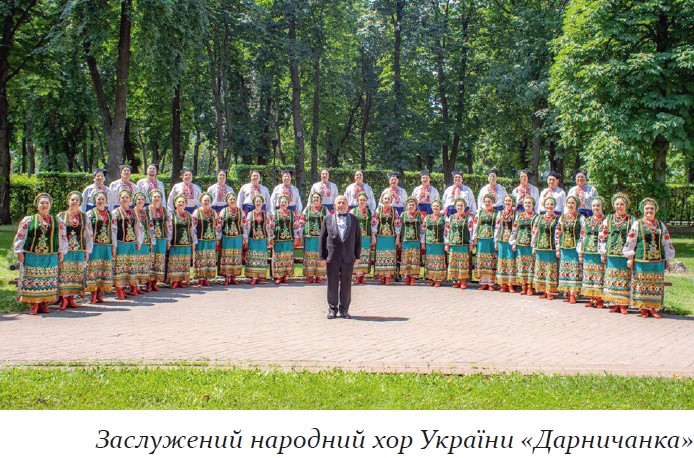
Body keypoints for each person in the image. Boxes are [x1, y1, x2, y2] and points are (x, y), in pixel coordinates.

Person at [14, 193, 68, 314]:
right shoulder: (29, 220)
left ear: (51, 205)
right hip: (33, 255)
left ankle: (43, 303)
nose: (44, 205)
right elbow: (20, 235)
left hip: (50, 254)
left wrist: (62, 251)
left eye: (47, 203)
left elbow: (62, 236)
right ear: (37, 205)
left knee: (48, 278)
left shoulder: (57, 220)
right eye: (42, 203)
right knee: (33, 278)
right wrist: (19, 251)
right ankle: (34, 303)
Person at [623, 198, 676, 319]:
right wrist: (630, 257)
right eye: (647, 208)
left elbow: (666, 241)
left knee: (655, 283)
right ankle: (643, 308)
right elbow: (631, 240)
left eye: (652, 208)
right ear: (643, 210)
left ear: (655, 210)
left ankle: (652, 308)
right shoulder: (638, 224)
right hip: (642, 259)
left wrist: (667, 259)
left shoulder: (660, 225)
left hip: (657, 260)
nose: (649, 211)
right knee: (642, 283)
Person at [319, 195, 361, 319]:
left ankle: (344, 310)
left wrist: (357, 255)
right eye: (339, 203)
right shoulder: (327, 219)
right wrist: (322, 256)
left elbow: (358, 238)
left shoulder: (354, 219)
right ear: (335, 205)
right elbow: (322, 238)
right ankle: (332, 309)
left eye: (343, 202)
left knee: (346, 284)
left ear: (347, 205)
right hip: (333, 256)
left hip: (348, 256)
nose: (341, 205)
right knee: (332, 284)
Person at [598, 193, 635, 314]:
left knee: (624, 279)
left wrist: (631, 255)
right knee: (612, 278)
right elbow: (602, 235)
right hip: (612, 253)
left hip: (624, 254)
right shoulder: (608, 219)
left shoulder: (631, 219)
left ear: (626, 206)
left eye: (622, 204)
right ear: (614, 206)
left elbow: (633, 237)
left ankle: (623, 304)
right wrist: (603, 252)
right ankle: (615, 303)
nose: (619, 206)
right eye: (617, 204)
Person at [57, 192, 94, 309]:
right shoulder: (61, 216)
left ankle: (71, 298)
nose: (74, 202)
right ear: (68, 201)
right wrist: (60, 250)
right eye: (72, 200)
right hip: (66, 251)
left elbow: (88, 234)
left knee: (76, 274)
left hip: (79, 250)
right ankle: (64, 299)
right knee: (64, 274)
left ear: (80, 203)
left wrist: (87, 251)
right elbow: (58, 234)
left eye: (77, 200)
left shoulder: (84, 217)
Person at [112, 190, 144, 299]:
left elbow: (138, 227)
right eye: (123, 197)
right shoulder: (115, 212)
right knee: (120, 266)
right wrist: (114, 244)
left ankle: (129, 286)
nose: (125, 199)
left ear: (130, 199)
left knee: (130, 266)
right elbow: (113, 229)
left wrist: (139, 241)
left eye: (127, 197)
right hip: (121, 243)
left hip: (131, 243)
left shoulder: (133, 212)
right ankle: (119, 289)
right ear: (119, 199)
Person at [85, 190, 115, 303]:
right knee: (94, 269)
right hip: (95, 246)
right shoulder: (90, 214)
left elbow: (113, 230)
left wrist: (113, 245)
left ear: (106, 201)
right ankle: (93, 294)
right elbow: (87, 231)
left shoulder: (110, 214)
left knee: (103, 269)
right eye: (99, 199)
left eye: (103, 199)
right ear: (95, 201)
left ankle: (99, 293)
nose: (101, 201)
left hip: (106, 245)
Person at [577, 197, 606, 308]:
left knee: (599, 275)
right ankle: (591, 298)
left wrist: (603, 252)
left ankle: (600, 299)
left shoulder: (606, 220)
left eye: (598, 205)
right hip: (588, 251)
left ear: (602, 207)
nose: (596, 208)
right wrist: (580, 252)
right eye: (593, 206)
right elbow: (582, 235)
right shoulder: (587, 220)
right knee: (589, 274)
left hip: (598, 251)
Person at [556, 195, 584, 303]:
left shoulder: (580, 218)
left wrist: (580, 248)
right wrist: (558, 247)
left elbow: (583, 233)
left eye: (573, 203)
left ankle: (573, 293)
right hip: (564, 247)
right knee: (565, 269)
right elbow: (558, 232)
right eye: (569, 203)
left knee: (574, 269)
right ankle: (567, 292)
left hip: (575, 247)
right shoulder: (562, 217)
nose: (570, 205)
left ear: (576, 205)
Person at [532, 197, 560, 299]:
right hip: (540, 248)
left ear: (554, 206)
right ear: (544, 205)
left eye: (551, 204)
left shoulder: (558, 219)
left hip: (551, 248)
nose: (549, 206)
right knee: (541, 269)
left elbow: (558, 234)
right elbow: (535, 232)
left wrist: (558, 248)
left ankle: (550, 291)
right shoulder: (539, 218)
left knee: (551, 269)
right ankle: (543, 290)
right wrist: (533, 246)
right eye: (547, 204)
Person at [167, 195, 196, 288]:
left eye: (183, 202)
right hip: (175, 242)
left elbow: (192, 229)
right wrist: (168, 240)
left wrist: (193, 242)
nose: (181, 203)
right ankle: (174, 280)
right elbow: (169, 229)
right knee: (175, 261)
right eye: (179, 202)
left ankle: (181, 280)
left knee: (184, 261)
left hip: (186, 243)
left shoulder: (189, 215)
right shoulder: (171, 215)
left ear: (186, 204)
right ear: (175, 204)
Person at [371, 192, 401, 285]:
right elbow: (374, 223)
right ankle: (381, 276)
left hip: (391, 237)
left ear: (391, 200)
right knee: (380, 256)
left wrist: (397, 237)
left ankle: (388, 277)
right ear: (382, 200)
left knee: (390, 256)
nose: (387, 200)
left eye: (388, 199)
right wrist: (373, 236)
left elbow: (397, 224)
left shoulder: (394, 211)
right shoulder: (378, 210)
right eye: (385, 198)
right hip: (381, 237)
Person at [445, 198, 475, 289]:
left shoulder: (468, 218)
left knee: (463, 263)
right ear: (455, 207)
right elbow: (447, 231)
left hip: (463, 244)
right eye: (458, 206)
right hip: (454, 244)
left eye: (461, 206)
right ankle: (457, 281)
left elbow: (471, 231)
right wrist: (447, 243)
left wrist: (471, 243)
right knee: (454, 262)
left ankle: (463, 282)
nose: (459, 207)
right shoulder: (451, 217)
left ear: (465, 207)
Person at [509, 196, 537, 295]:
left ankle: (530, 287)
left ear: (533, 205)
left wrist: (534, 245)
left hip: (530, 244)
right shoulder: (519, 216)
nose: (527, 205)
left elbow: (535, 232)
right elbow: (514, 229)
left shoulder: (536, 217)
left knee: (530, 265)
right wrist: (513, 242)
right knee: (521, 265)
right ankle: (523, 286)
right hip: (520, 243)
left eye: (529, 203)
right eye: (526, 203)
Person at [243, 194, 273, 285]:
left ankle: (259, 277)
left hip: (262, 239)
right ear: (254, 203)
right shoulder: (250, 214)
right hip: (253, 239)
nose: (258, 203)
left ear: (262, 203)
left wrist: (269, 238)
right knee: (253, 257)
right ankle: (254, 277)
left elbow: (268, 227)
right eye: (257, 201)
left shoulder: (265, 214)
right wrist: (246, 238)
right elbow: (247, 227)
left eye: (260, 201)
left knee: (261, 257)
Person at [217, 192, 245, 285]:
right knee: (226, 257)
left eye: (234, 199)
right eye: (230, 199)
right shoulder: (224, 211)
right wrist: (218, 236)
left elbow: (244, 225)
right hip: (227, 238)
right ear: (227, 201)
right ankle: (227, 277)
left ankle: (234, 277)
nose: (232, 201)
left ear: (236, 200)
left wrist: (244, 236)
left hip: (237, 238)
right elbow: (219, 224)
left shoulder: (240, 212)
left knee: (236, 257)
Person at [299, 192, 328, 284]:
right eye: (314, 197)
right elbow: (301, 221)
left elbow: (329, 222)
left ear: (320, 199)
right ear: (311, 199)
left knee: (320, 255)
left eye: (317, 198)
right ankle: (310, 276)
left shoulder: (324, 209)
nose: (315, 199)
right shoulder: (307, 209)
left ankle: (319, 276)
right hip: (309, 237)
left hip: (320, 237)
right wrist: (299, 234)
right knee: (309, 256)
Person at [472, 194, 498, 290]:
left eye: (489, 201)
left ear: (493, 202)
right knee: (482, 260)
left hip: (491, 239)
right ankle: (483, 282)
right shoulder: (479, 213)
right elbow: (476, 225)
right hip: (481, 239)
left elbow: (497, 227)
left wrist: (496, 239)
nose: (487, 203)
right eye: (486, 201)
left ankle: (491, 283)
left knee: (491, 260)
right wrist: (474, 237)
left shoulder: (496, 213)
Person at [271, 194, 299, 285]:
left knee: (287, 257)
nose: (283, 203)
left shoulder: (292, 213)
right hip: (278, 239)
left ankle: (285, 276)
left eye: (285, 202)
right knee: (278, 257)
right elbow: (271, 226)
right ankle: (278, 276)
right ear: (279, 203)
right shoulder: (274, 213)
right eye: (282, 202)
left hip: (288, 239)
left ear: (288, 203)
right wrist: (271, 238)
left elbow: (296, 226)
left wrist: (296, 237)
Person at [193, 193, 218, 287]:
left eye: (208, 200)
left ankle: (206, 278)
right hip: (201, 239)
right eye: (205, 200)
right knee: (200, 258)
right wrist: (194, 238)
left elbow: (217, 226)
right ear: (201, 201)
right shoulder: (197, 212)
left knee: (208, 258)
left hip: (211, 239)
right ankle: (200, 278)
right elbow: (193, 226)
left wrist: (217, 237)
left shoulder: (213, 212)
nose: (206, 202)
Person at [494, 195, 517, 292]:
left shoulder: (516, 214)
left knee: (510, 260)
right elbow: (497, 227)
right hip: (501, 239)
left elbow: (516, 228)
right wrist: (496, 241)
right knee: (502, 261)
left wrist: (514, 242)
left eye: (509, 201)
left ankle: (510, 284)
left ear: (513, 202)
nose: (507, 203)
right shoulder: (500, 213)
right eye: (506, 201)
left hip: (510, 241)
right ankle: (503, 283)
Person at [399, 196, 425, 285]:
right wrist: (399, 239)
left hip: (415, 241)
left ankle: (413, 278)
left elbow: (422, 229)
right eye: (409, 205)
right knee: (406, 259)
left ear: (416, 206)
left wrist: (422, 242)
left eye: (413, 205)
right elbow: (399, 227)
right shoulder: (402, 215)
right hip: (405, 240)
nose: (411, 206)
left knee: (414, 259)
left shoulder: (420, 216)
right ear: (406, 206)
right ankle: (406, 277)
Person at [133, 192, 155, 292]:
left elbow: (150, 227)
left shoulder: (146, 212)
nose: (140, 201)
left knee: (144, 263)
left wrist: (151, 241)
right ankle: (134, 286)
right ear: (135, 201)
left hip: (146, 240)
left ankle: (140, 285)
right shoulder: (132, 212)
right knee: (135, 263)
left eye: (142, 199)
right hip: (137, 241)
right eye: (138, 199)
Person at [147, 190, 169, 291]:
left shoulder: (164, 210)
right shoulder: (147, 209)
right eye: (154, 197)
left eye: (158, 197)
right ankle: (148, 283)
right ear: (151, 198)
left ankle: (155, 282)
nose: (157, 199)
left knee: (159, 260)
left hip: (162, 238)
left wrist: (168, 239)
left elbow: (168, 225)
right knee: (150, 259)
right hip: (151, 238)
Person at [350, 192, 373, 284]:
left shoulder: (370, 212)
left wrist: (373, 236)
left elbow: (373, 224)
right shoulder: (353, 211)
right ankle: (357, 276)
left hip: (366, 236)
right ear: (357, 201)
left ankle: (362, 276)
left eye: (364, 200)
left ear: (366, 201)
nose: (362, 201)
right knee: (357, 255)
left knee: (365, 256)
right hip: (356, 237)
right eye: (360, 200)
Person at [424, 200, 447, 287]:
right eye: (434, 206)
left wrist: (446, 242)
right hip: (430, 242)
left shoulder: (444, 218)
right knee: (430, 260)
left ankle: (438, 279)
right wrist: (423, 241)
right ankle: (432, 278)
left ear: (440, 207)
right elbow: (423, 230)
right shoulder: (427, 217)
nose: (435, 207)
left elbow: (447, 230)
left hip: (439, 242)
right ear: (431, 207)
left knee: (439, 260)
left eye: (437, 206)